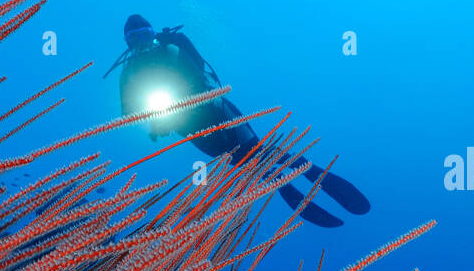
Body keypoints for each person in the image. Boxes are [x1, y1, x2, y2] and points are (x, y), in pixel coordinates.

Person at [107, 14, 370, 227]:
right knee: (242, 163)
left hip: (215, 110)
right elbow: (128, 111)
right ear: (127, 43)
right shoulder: (129, 71)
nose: (141, 42)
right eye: (134, 39)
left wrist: (186, 94)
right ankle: (282, 186)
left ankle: (308, 169)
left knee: (258, 149)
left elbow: (197, 72)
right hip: (186, 126)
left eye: (145, 35)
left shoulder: (172, 47)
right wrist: (154, 123)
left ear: (153, 33)